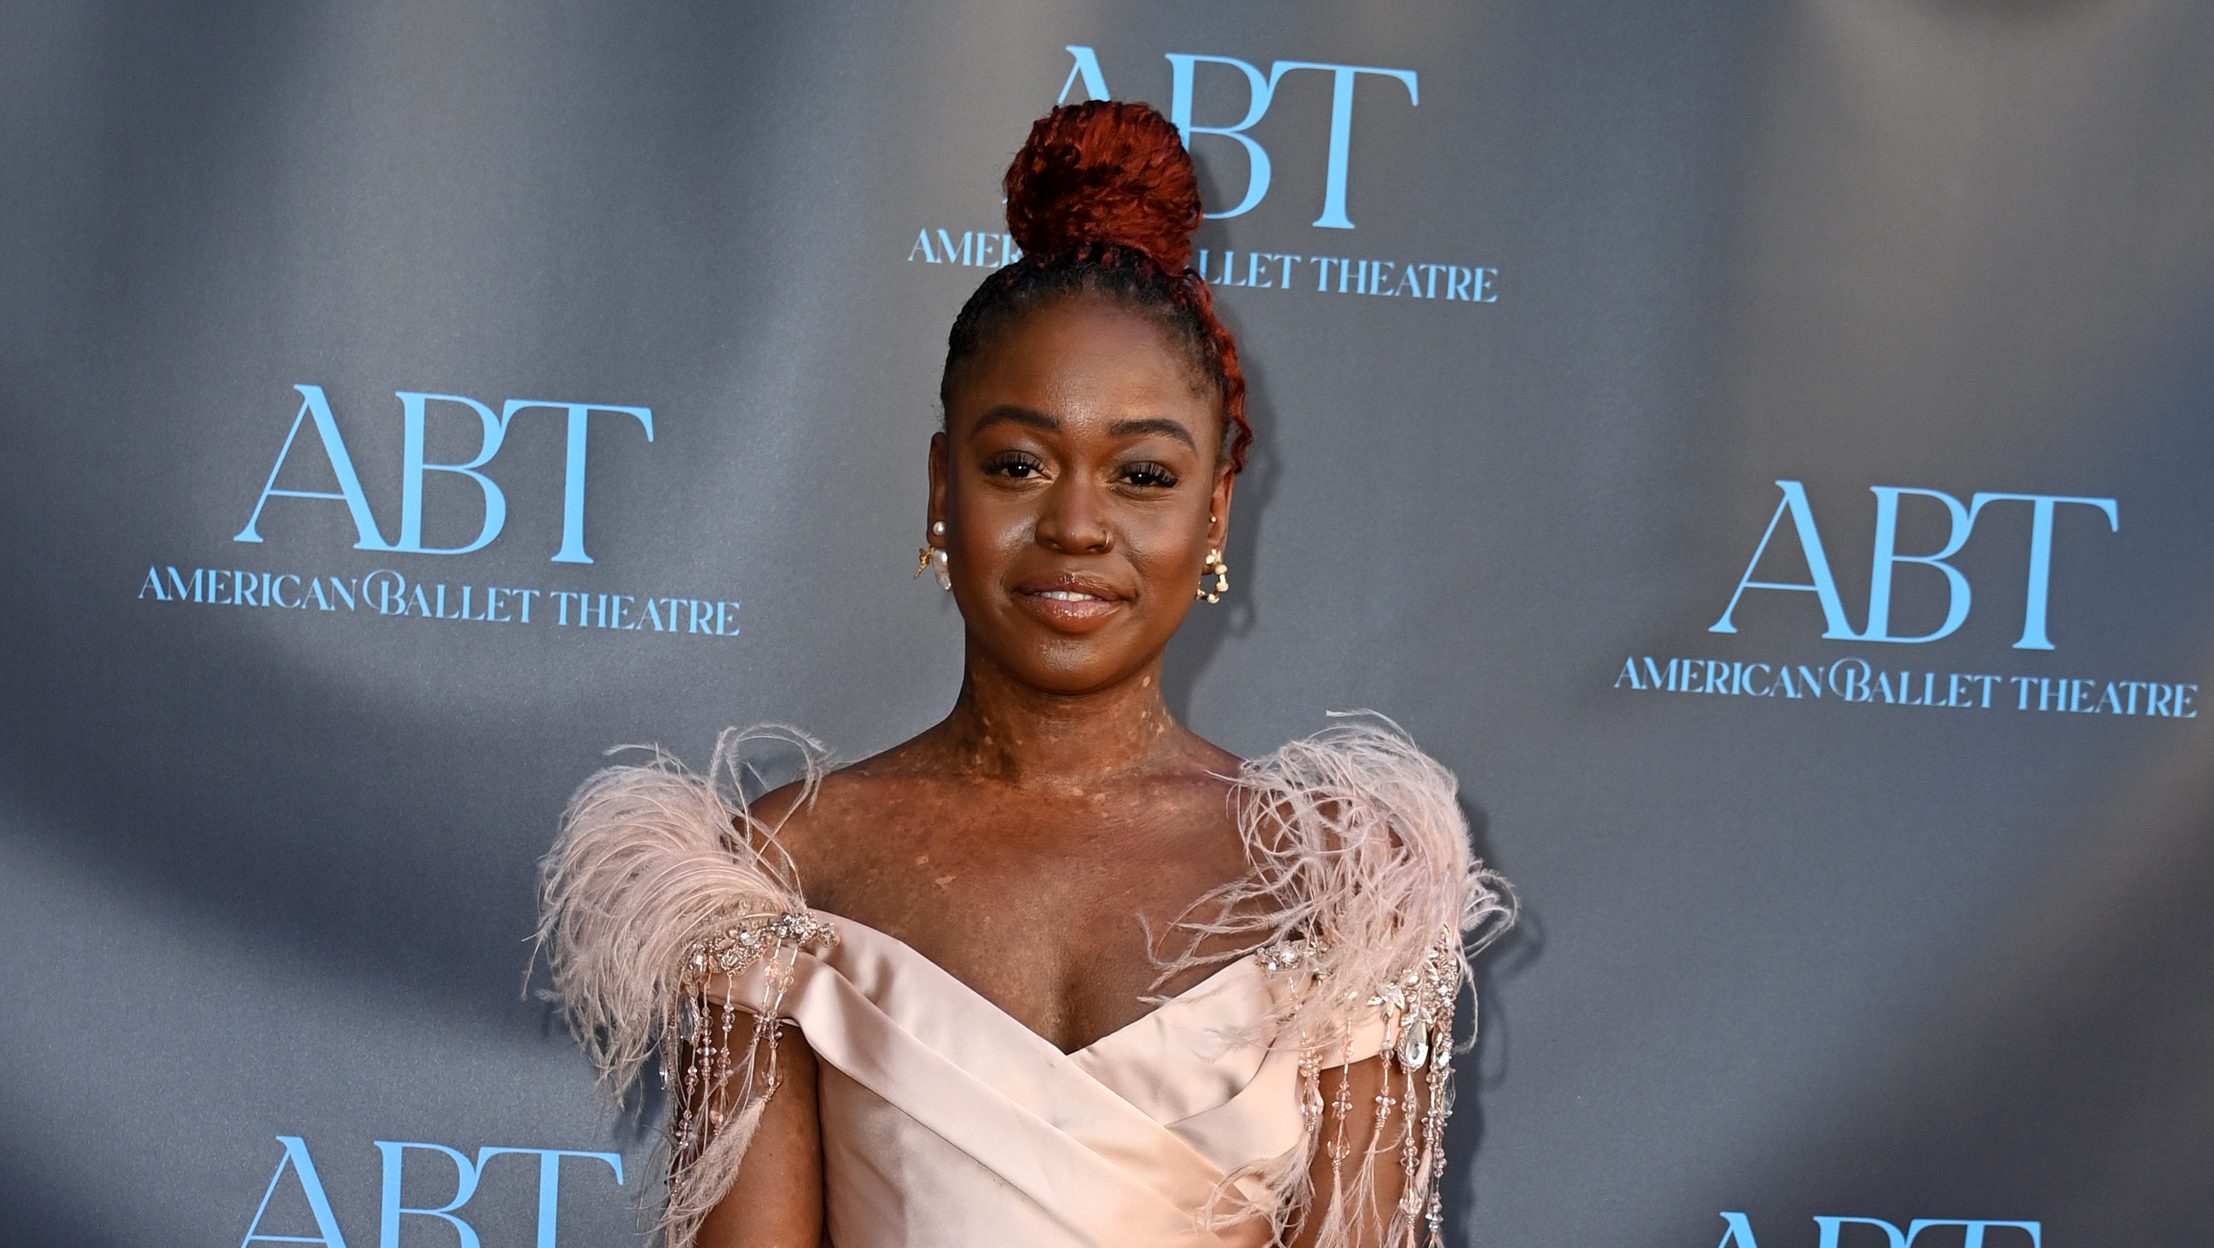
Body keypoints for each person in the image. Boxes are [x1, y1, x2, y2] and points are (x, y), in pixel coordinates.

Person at [535, 100, 1514, 1248]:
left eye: (1143, 474)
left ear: (1216, 509)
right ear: (943, 488)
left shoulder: (1345, 885)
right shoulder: (788, 869)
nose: (1079, 524)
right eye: (1019, 463)